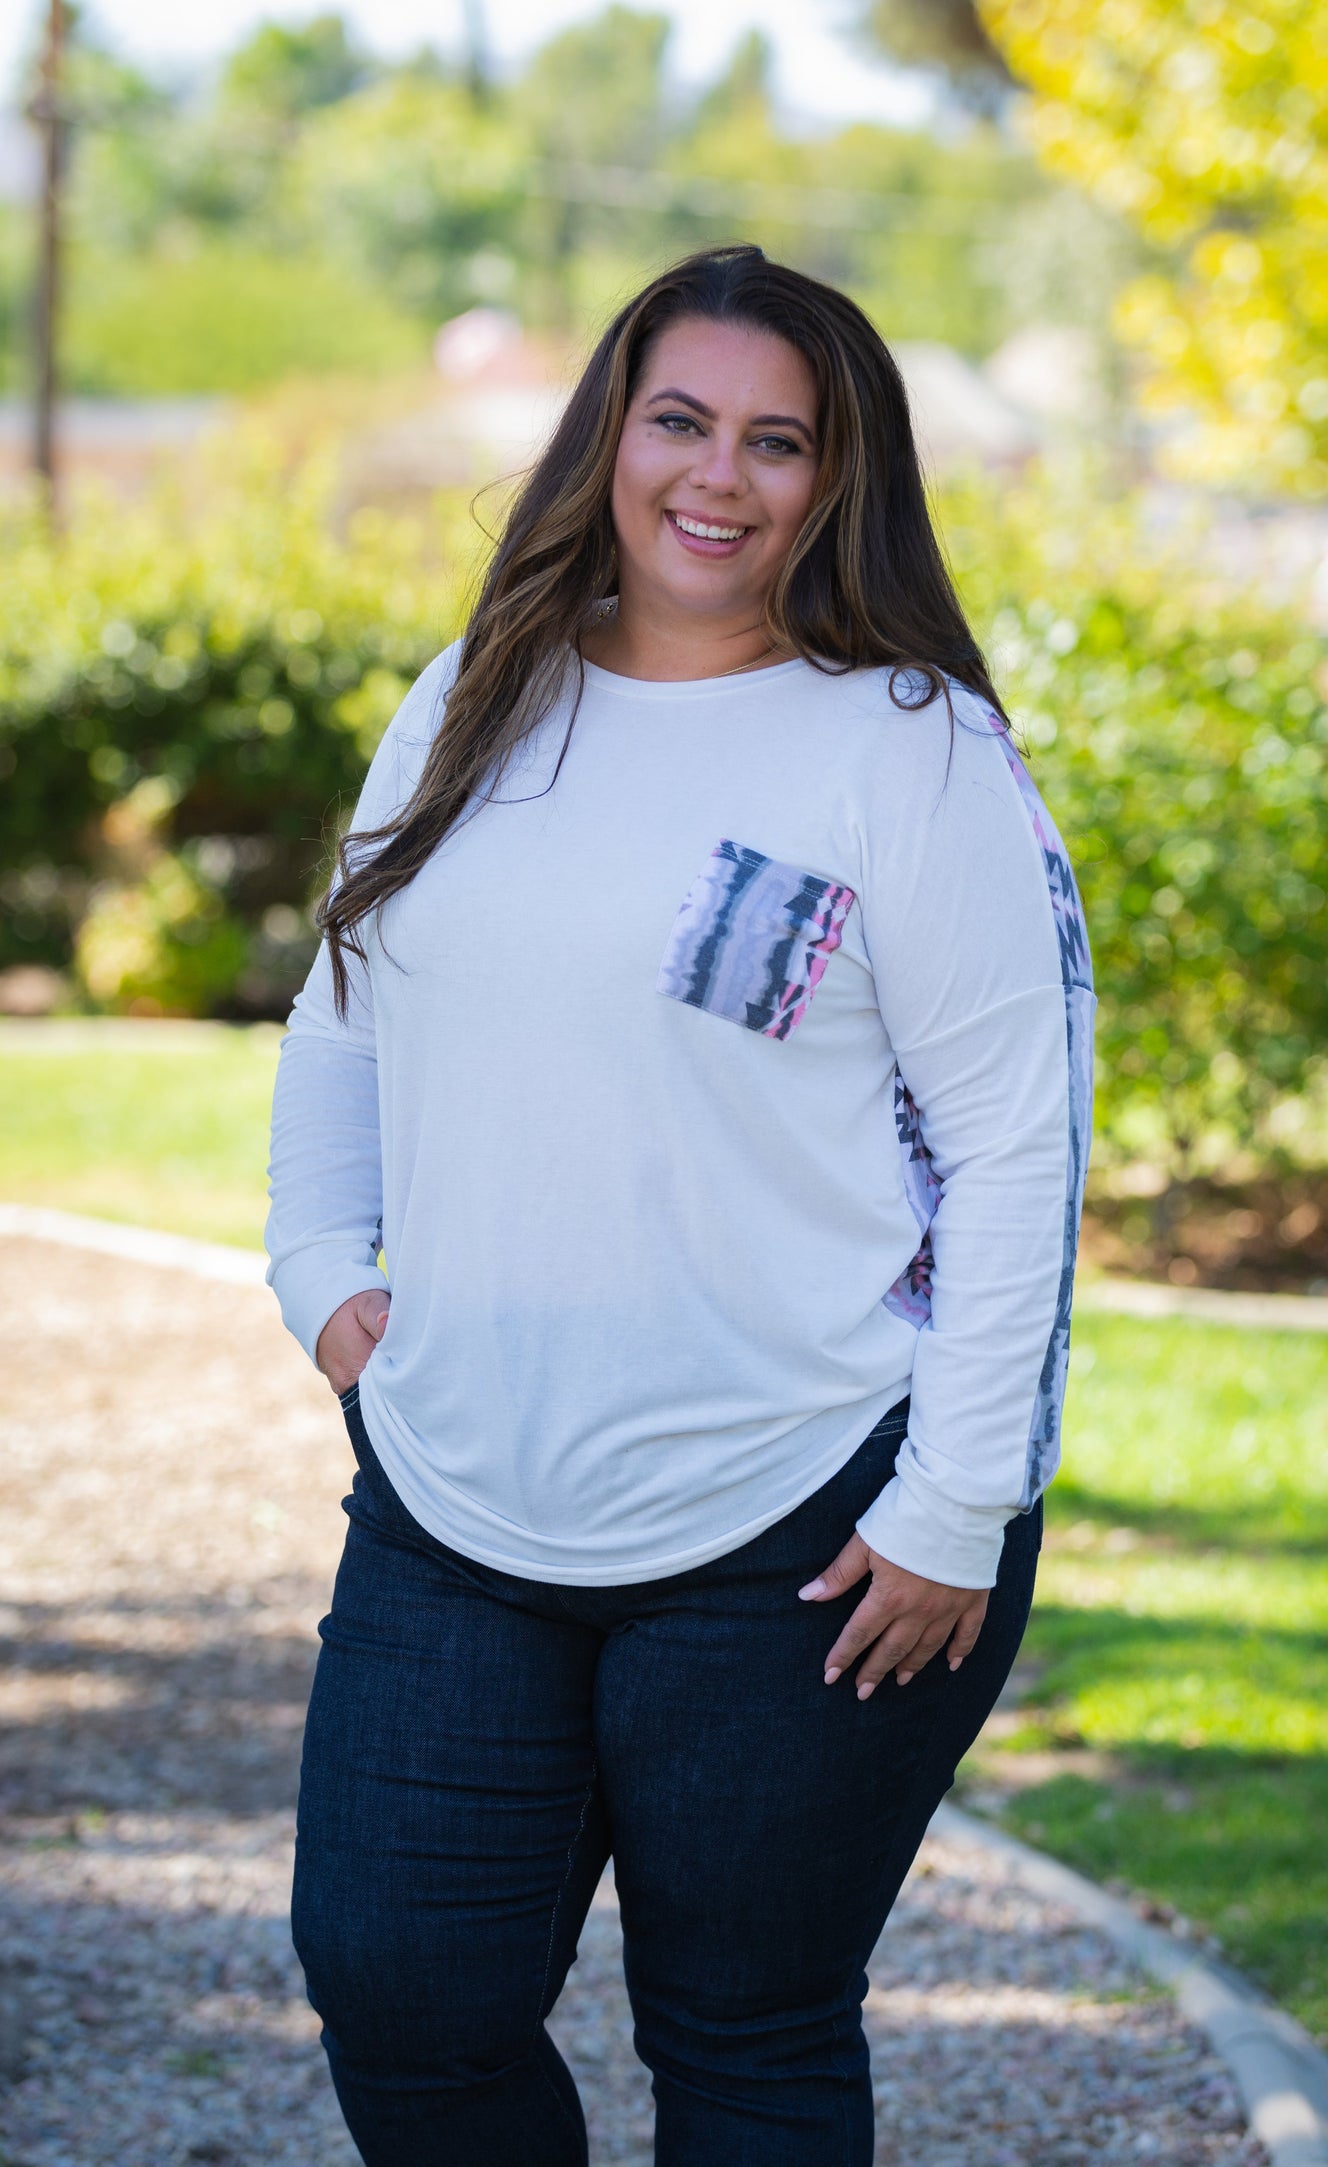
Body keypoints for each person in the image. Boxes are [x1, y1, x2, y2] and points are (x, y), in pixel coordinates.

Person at [265, 243, 1094, 2167]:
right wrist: (319, 1268)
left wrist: (953, 1505)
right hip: (458, 1488)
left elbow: (1014, 1149)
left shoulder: (912, 746)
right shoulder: (476, 690)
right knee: (397, 1986)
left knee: (743, 2032)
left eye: (778, 441)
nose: (718, 476)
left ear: (839, 479)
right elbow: (342, 1007)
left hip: (803, 1518)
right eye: (681, 420)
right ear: (612, 435)